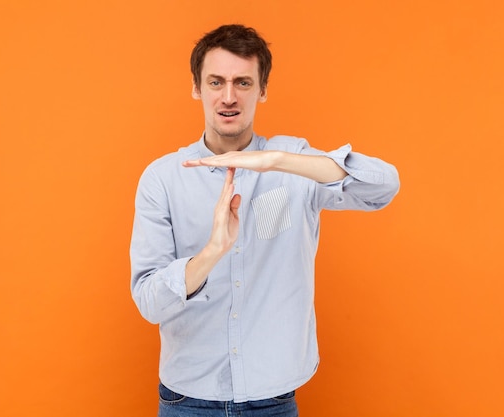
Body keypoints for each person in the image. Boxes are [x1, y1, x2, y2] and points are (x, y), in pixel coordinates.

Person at [130, 24, 400, 417]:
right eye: (215, 81)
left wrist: (275, 160)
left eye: (243, 82)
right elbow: (150, 302)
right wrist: (212, 253)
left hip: (273, 400)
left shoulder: (294, 164)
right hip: (187, 400)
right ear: (196, 88)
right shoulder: (162, 178)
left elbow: (383, 186)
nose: (228, 96)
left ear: (263, 89)